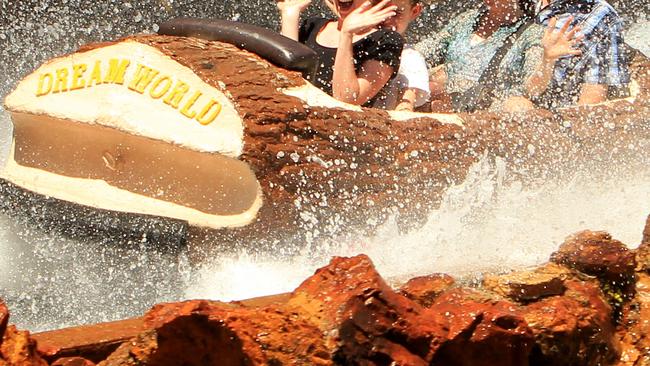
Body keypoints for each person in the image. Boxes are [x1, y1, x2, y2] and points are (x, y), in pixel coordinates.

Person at [415, 0, 582, 113]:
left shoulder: (532, 33)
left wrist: (548, 60)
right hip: (446, 106)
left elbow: (533, 89)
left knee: (520, 106)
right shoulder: (466, 21)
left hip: (493, 114)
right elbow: (419, 54)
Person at [277, 0, 404, 106]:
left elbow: (348, 99)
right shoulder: (312, 25)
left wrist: (346, 35)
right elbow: (288, 81)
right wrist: (290, 14)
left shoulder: (386, 41)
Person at [535, 0, 630, 107]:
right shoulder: (532, 7)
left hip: (553, 113)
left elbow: (591, 103)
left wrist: (548, 60)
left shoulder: (599, 16)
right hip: (525, 97)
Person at [373, 0, 431, 111]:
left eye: (396, 13)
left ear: (414, 12)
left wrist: (404, 108)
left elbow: (405, 107)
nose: (386, 19)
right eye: (380, 9)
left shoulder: (410, 58)